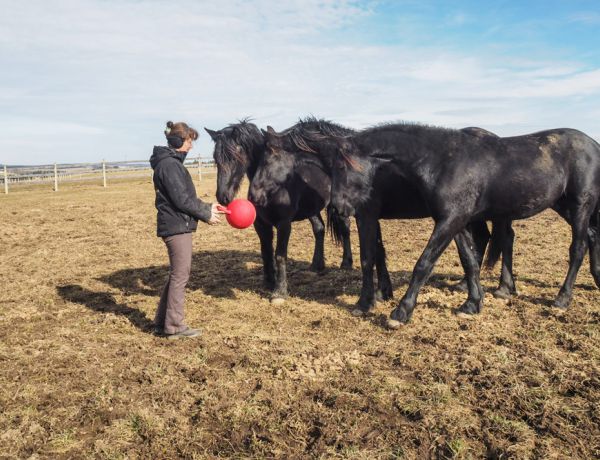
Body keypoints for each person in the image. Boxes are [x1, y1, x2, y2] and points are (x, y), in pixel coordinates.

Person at [150, 120, 223, 339]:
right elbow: (182, 200)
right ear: (178, 141)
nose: (191, 146)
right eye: (189, 141)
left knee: (176, 275)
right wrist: (206, 214)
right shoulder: (170, 166)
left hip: (176, 224)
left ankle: (162, 322)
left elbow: (185, 198)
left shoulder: (170, 163)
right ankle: (174, 327)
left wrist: (208, 207)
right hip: (176, 227)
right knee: (181, 276)